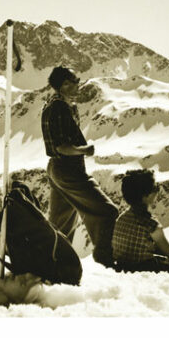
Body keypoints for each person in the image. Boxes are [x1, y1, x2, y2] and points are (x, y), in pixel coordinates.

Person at [41, 66, 118, 267]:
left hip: (57, 169)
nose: (79, 84)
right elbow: (61, 146)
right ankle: (105, 261)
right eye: (76, 80)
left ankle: (51, 264)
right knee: (107, 211)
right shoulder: (59, 107)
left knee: (61, 224)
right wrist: (84, 150)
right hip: (68, 170)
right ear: (65, 84)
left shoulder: (59, 105)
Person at [112, 169, 169, 285]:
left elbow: (153, 247)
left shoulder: (122, 218)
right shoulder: (150, 224)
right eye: (155, 188)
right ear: (145, 195)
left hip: (123, 269)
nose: (157, 191)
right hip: (143, 272)